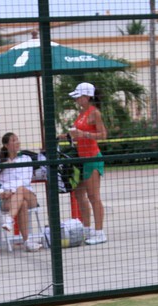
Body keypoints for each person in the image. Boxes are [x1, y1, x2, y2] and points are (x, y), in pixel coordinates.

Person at [0, 132, 43, 251]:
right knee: (22, 204)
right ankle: (27, 242)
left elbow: (25, 181)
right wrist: (3, 166)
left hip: (28, 195)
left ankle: (9, 219)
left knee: (21, 191)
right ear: (6, 145)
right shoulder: (0, 162)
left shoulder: (26, 159)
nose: (17, 142)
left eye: (17, 139)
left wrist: (11, 191)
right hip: (9, 199)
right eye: (13, 140)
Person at [68, 82, 108, 245]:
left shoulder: (94, 113)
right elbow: (79, 134)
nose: (77, 99)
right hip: (81, 158)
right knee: (79, 194)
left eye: (79, 96)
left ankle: (99, 232)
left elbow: (103, 135)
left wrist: (83, 134)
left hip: (92, 157)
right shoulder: (81, 113)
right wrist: (69, 136)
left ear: (87, 97)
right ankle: (87, 228)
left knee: (93, 196)